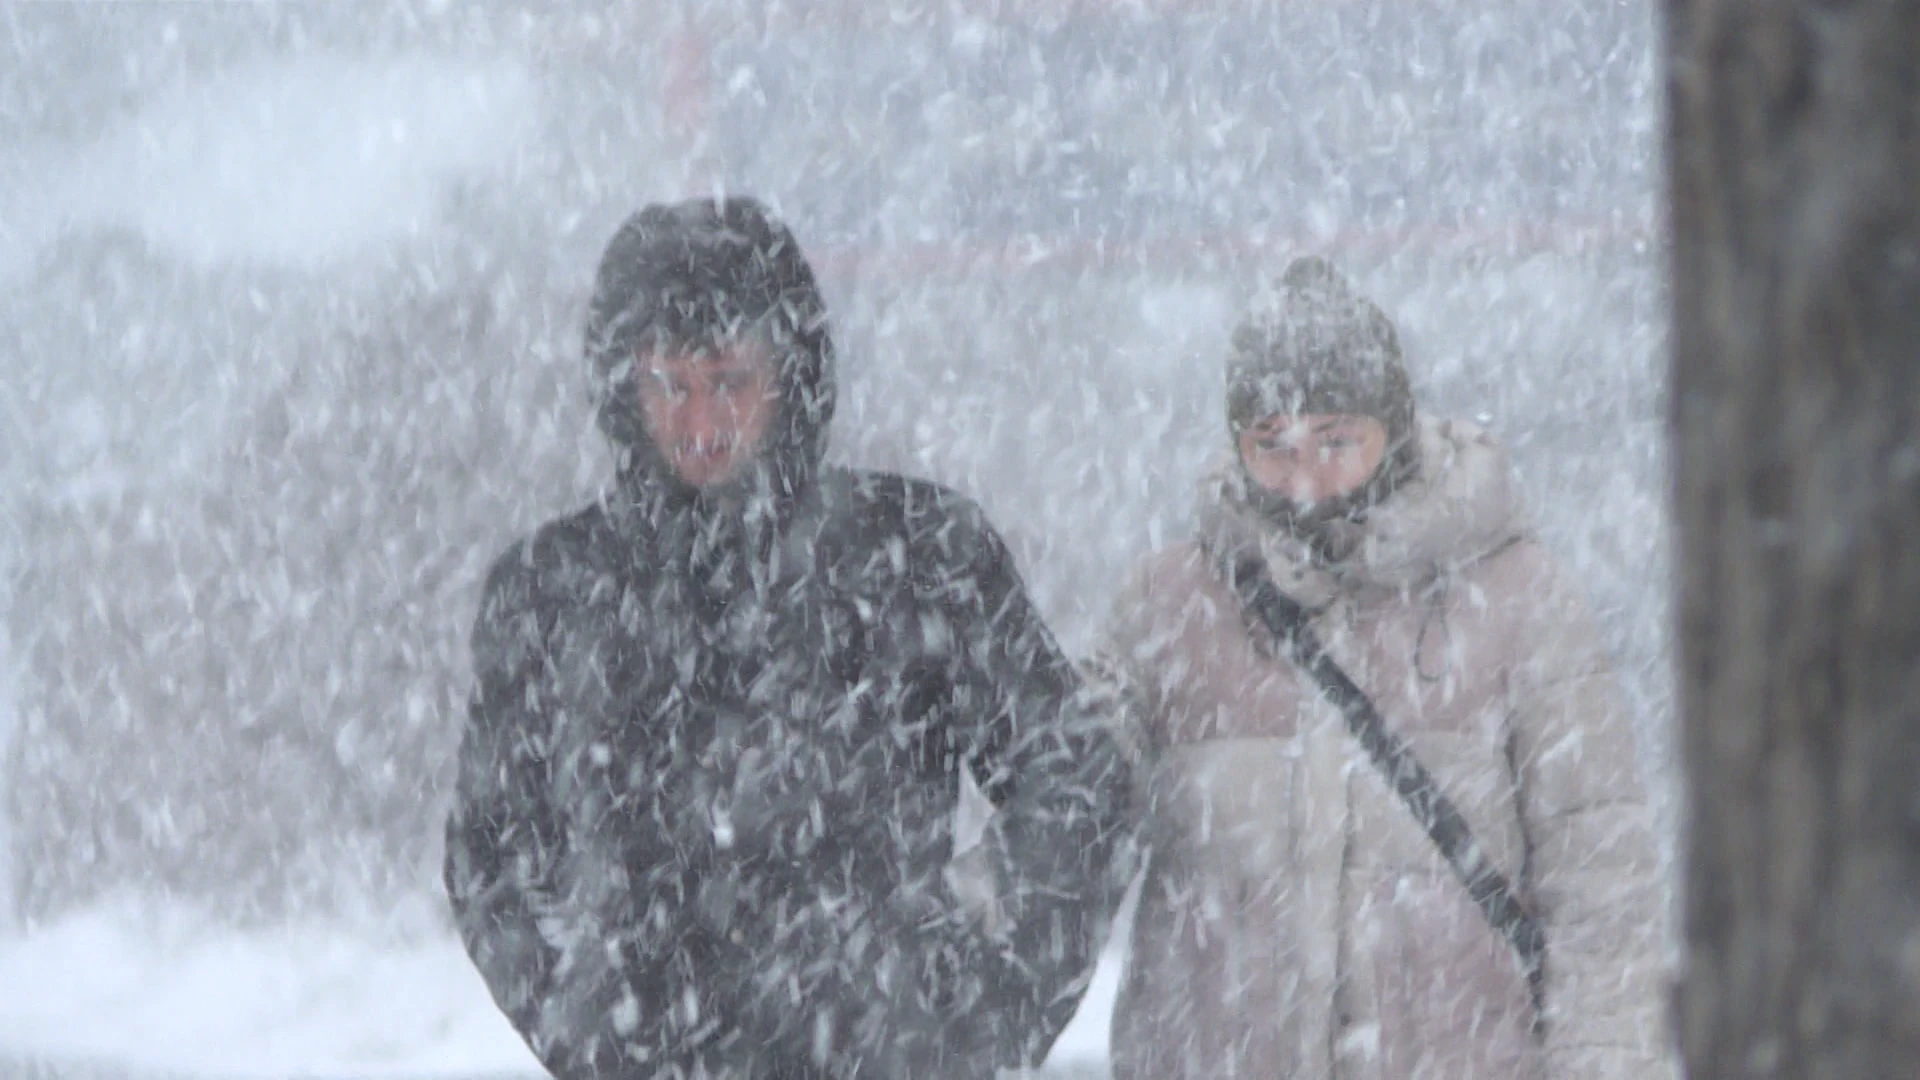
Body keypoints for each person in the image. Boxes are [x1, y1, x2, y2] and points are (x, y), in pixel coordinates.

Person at [444, 196, 1130, 1080]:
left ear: (791, 372)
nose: (701, 424)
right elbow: (491, 855)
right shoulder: (552, 589)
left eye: (730, 379)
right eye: (670, 385)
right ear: (624, 385)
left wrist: (977, 1013)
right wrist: (587, 1024)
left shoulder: (919, 553)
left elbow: (1074, 784)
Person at [1093, 256, 1672, 1079]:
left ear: (1392, 429)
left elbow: (1601, 889)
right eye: (1272, 446)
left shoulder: (1518, 599)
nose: (1302, 481)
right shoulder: (1166, 609)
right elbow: (1063, 805)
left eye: (1336, 441)